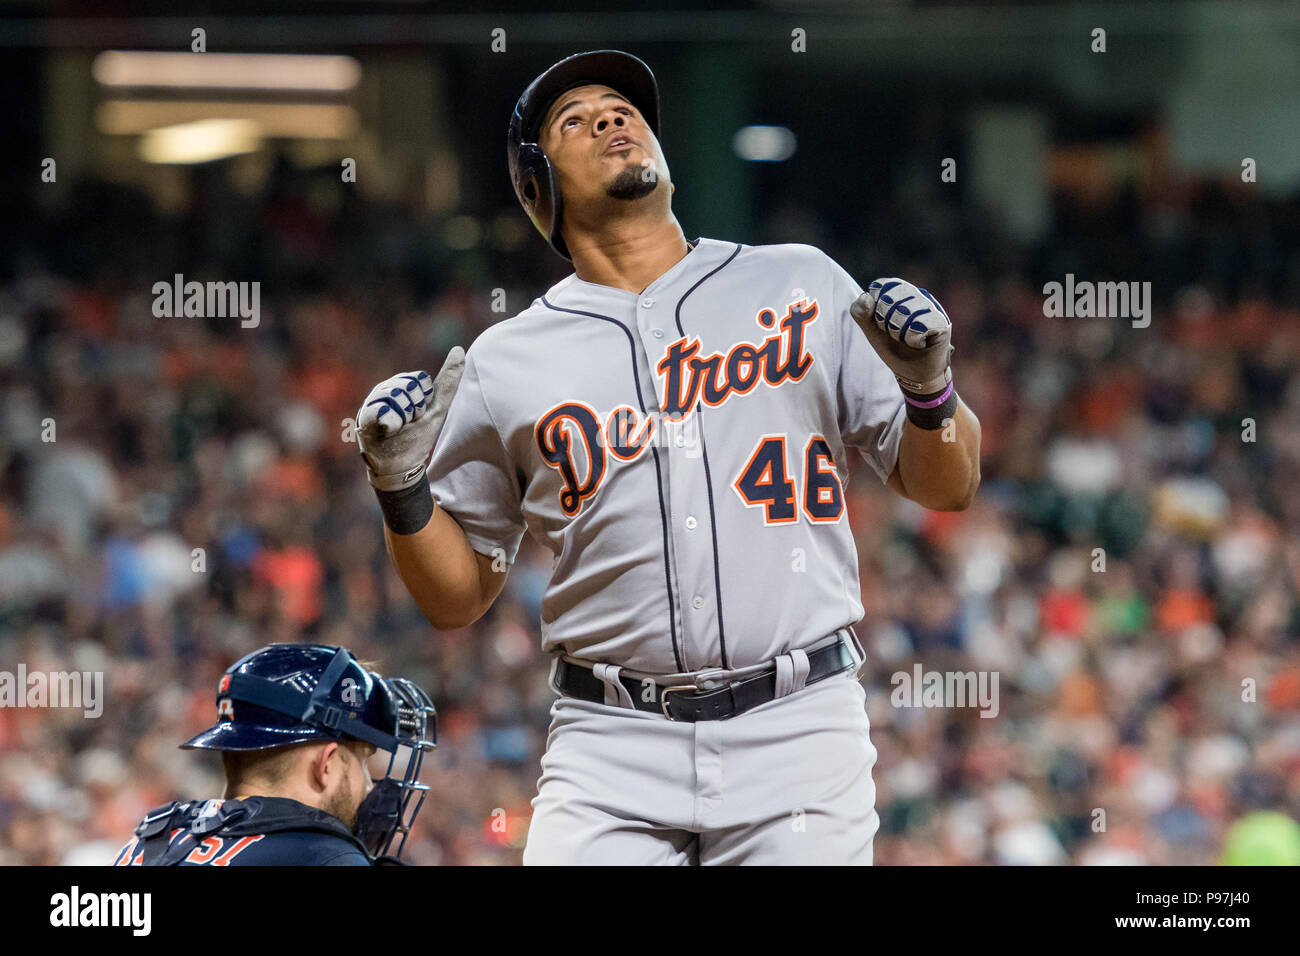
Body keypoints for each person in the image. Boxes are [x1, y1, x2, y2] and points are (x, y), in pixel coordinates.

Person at [356, 50, 980, 864]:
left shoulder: (799, 280)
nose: (612, 120)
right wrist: (400, 485)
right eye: (574, 121)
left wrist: (931, 392)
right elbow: (455, 597)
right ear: (538, 190)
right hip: (609, 739)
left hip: (797, 728)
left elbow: (949, 484)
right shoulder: (507, 359)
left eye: (623, 109)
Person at [112, 644, 436, 866]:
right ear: (326, 764)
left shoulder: (152, 840)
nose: (368, 785)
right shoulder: (329, 857)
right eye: (363, 762)